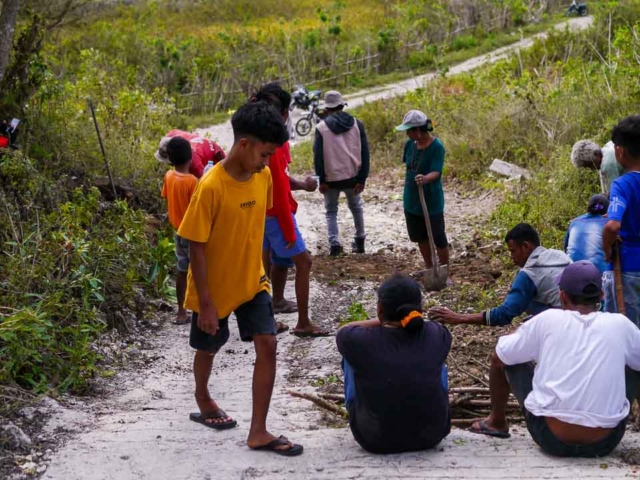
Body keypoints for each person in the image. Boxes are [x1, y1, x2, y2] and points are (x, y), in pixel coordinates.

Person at [177, 101, 303, 456]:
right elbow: (196, 247)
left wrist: (261, 272)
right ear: (244, 144)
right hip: (213, 290)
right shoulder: (211, 186)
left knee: (268, 344)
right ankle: (202, 396)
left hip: (252, 283)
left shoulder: (262, 176)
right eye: (264, 153)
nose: (267, 162)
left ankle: (258, 431)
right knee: (207, 346)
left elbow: (256, 227)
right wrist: (204, 303)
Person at [469, 260, 640, 458]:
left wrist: (519, 333)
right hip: (605, 442)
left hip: (550, 438)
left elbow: (499, 357)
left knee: (506, 357)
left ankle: (496, 422)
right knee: (634, 360)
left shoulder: (547, 319)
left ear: (562, 296)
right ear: (601, 296)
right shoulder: (620, 324)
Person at [336, 274, 451, 454]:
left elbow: (344, 329)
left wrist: (382, 321)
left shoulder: (356, 340)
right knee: (437, 361)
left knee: (350, 358)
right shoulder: (438, 333)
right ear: (418, 308)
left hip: (374, 439)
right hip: (432, 435)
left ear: (380, 308)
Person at [251, 83, 329, 337]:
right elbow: (276, 192)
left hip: (266, 212)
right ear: (285, 113)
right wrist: (288, 228)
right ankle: (303, 323)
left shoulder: (265, 140)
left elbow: (280, 179)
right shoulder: (270, 145)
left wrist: (301, 185)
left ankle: (272, 309)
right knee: (303, 262)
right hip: (275, 213)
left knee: (268, 262)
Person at [430, 223, 571, 326]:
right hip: (586, 315)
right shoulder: (558, 255)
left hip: (565, 321)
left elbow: (504, 314)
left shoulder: (529, 274)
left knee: (525, 301)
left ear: (526, 246)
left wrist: (459, 318)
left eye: (513, 251)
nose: (511, 257)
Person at [314, 91, 370, 256]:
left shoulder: (321, 128)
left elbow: (318, 157)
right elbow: (365, 152)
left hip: (331, 178)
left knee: (331, 210)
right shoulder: (357, 124)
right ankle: (360, 241)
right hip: (352, 177)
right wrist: (362, 178)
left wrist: (321, 180)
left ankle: (335, 244)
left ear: (327, 109)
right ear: (342, 105)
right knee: (356, 207)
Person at [396, 110, 449, 269]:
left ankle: (444, 269)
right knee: (420, 236)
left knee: (438, 236)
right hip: (412, 199)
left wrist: (425, 178)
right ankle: (429, 267)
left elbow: (437, 171)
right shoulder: (409, 145)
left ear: (418, 130)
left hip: (431, 200)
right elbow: (409, 165)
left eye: (409, 131)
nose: (407, 134)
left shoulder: (437, 147)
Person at [603, 114, 640, 328]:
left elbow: (612, 225)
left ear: (620, 150)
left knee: (624, 331)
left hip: (627, 269)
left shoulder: (622, 185)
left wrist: (606, 246)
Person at [161, 137, 198, 325]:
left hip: (178, 231)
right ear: (190, 157)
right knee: (200, 270)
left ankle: (181, 312)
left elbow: (165, 195)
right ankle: (202, 309)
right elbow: (198, 209)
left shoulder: (168, 176)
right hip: (193, 233)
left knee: (182, 270)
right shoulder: (193, 182)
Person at [564, 194, 609, 273]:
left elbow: (566, 247)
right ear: (607, 210)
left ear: (588, 207)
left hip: (571, 271)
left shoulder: (574, 222)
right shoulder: (606, 224)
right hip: (598, 274)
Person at [155, 130, 226, 178]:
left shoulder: (193, 163)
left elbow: (204, 185)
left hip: (215, 159)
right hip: (207, 146)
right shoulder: (173, 135)